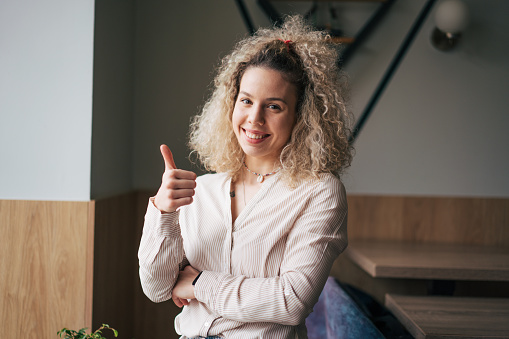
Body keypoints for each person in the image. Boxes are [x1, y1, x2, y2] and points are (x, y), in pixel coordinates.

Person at [138, 15, 353, 339]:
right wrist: (163, 212)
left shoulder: (320, 192)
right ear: (231, 102)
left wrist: (198, 283)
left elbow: (291, 301)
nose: (254, 119)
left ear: (301, 115)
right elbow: (156, 288)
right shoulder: (203, 189)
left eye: (275, 106)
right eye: (246, 100)